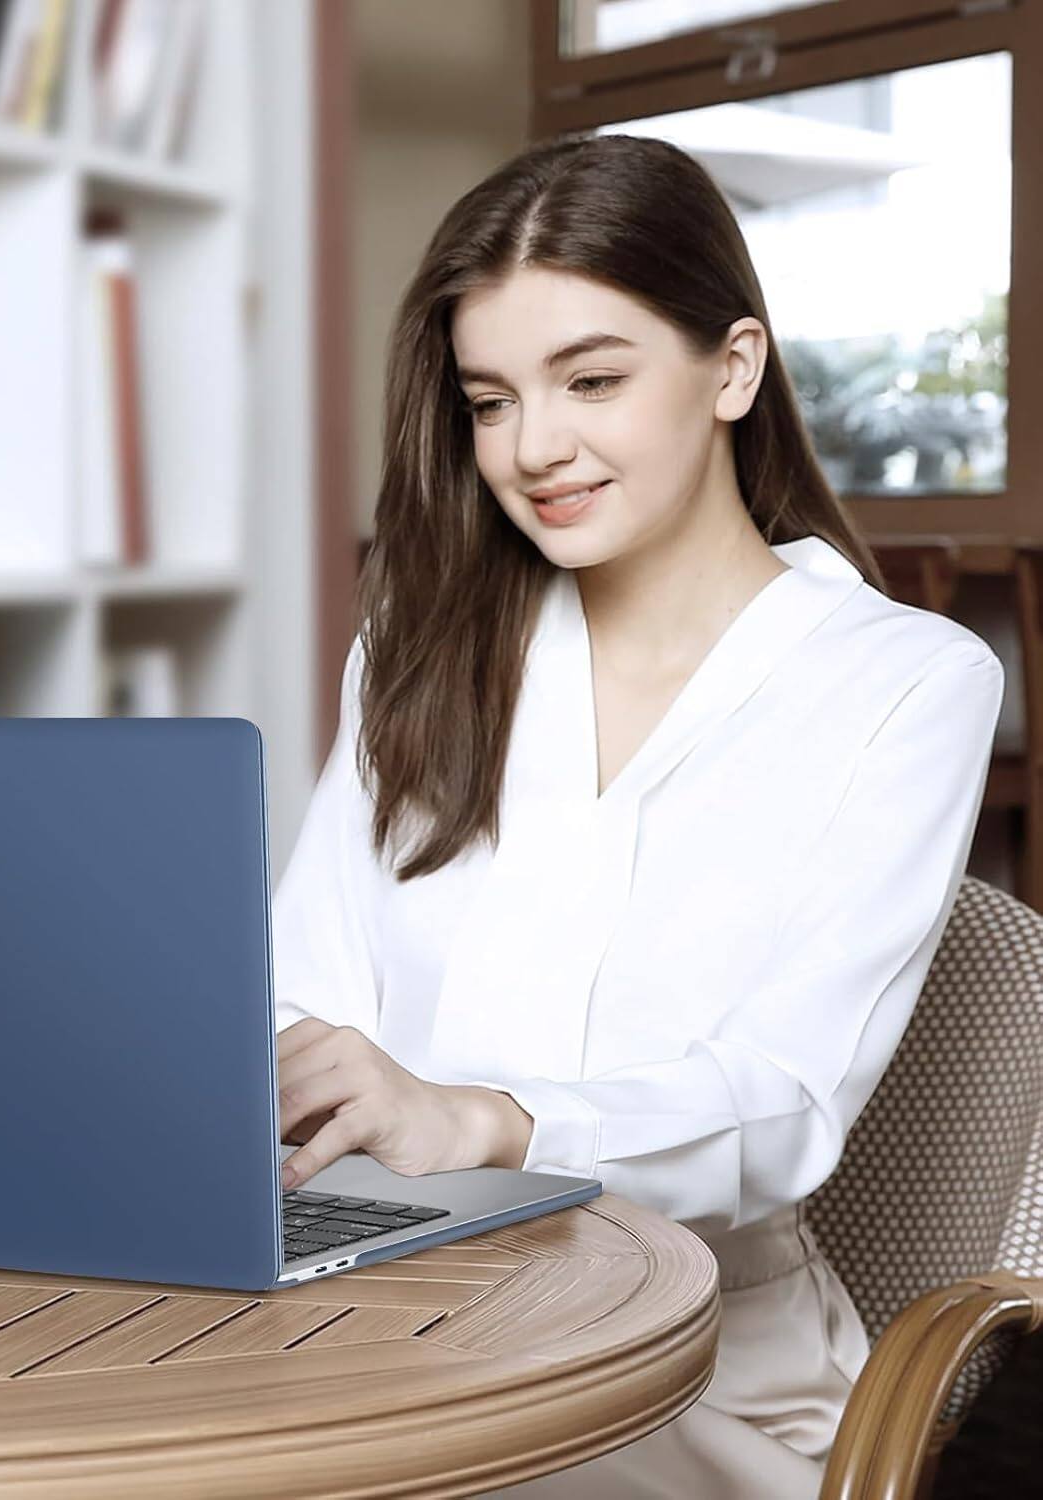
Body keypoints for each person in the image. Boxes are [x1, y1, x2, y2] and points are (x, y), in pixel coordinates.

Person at [269, 132, 1005, 1499]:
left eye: (592, 380)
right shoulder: (422, 649)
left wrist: (485, 1120)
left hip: (691, 1379)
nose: (533, 447)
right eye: (490, 400)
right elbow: (301, 994)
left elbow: (781, 1106)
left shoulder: (905, 685)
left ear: (732, 368)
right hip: (380, 1316)